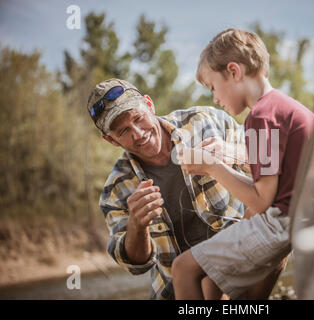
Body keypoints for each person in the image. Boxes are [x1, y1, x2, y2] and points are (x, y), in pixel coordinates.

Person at [172, 28, 314, 299]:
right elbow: (275, 188)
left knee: (183, 269)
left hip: (282, 224)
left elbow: (261, 200)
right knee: (211, 282)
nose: (215, 99)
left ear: (234, 72)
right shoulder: (284, 108)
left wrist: (211, 166)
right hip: (303, 217)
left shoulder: (261, 117)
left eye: (214, 87)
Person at [87, 78, 248, 300]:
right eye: (123, 131)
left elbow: (271, 158)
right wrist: (137, 225)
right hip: (175, 291)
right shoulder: (115, 190)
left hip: (239, 264)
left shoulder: (205, 122)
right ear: (110, 140)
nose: (137, 133)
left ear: (149, 105)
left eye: (138, 118)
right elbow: (136, 264)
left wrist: (232, 153)